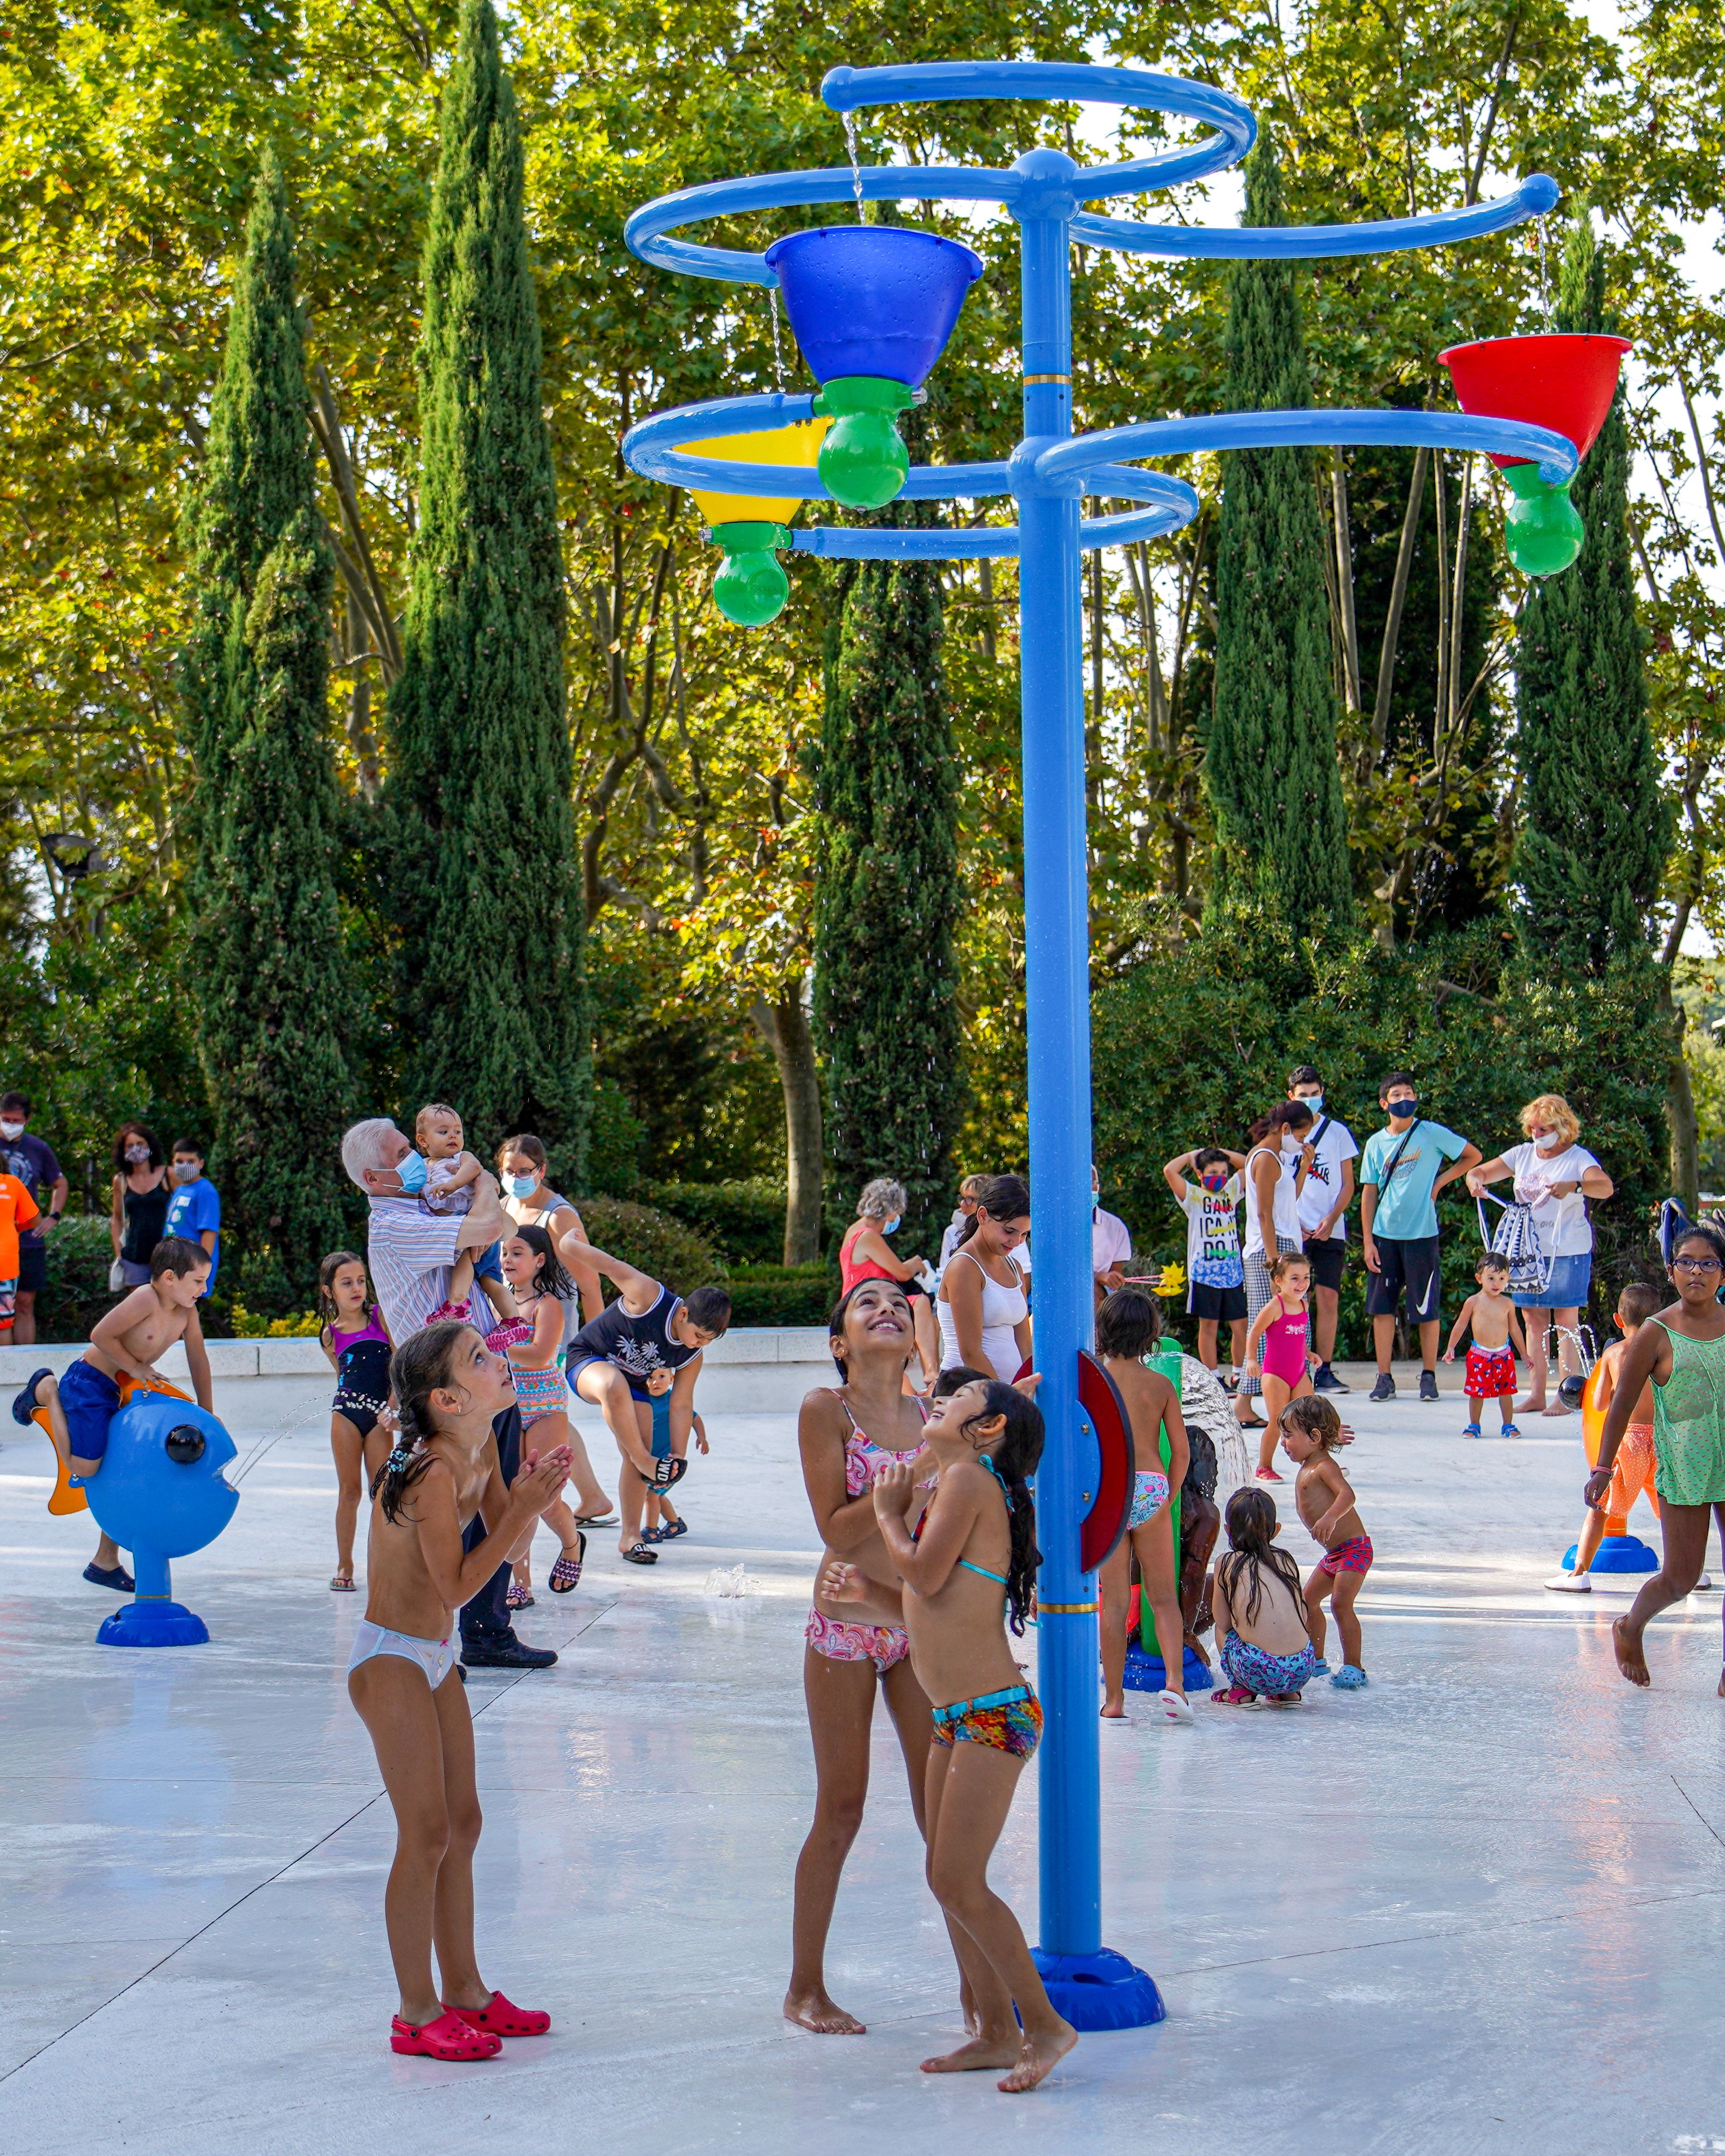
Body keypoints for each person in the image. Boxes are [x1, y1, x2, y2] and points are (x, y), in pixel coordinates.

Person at [822, 1374, 1077, 2093]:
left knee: (956, 1878)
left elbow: (926, 1577)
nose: (941, 1399)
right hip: (955, 1717)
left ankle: (1045, 2024)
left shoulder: (968, 1480)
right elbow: (928, 1612)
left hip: (993, 1714)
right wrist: (866, 1601)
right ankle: (996, 2032)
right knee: (946, 1877)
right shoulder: (953, 1487)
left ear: (988, 1428)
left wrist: (887, 1513)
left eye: (959, 1401)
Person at [348, 1319, 570, 2059]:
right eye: (479, 1359)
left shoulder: (480, 1449)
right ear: (446, 1399)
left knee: (464, 1825)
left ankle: (466, 1990)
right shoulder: (436, 1471)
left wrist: (541, 1507)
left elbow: (507, 1521)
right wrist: (528, 1513)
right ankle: (415, 2010)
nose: (498, 1358)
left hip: (435, 1655)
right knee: (427, 1834)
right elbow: (459, 1585)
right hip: (392, 1657)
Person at [784, 1280, 942, 2036]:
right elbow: (838, 1533)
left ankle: (977, 1989)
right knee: (841, 1809)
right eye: (867, 1303)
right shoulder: (828, 1409)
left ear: (916, 1339)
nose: (888, 1309)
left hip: (914, 1622)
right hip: (846, 1626)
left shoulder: (935, 1418)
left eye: (900, 1307)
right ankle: (805, 1988)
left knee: (939, 1811)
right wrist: (917, 1483)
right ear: (841, 1342)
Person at [342, 1116, 551, 1671]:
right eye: (405, 1150)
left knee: (488, 1503)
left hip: (478, 1383)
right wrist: (480, 1176)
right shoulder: (393, 1222)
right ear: (374, 1174)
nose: (420, 1158)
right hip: (442, 1391)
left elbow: (495, 1226)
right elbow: (488, 1229)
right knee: (431, 1512)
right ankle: (423, 1636)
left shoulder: (423, 1204)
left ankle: (485, 1631)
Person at [12, 1236, 213, 1591]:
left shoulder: (187, 1313)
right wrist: (137, 1367)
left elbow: (198, 1358)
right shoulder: (144, 1299)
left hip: (125, 1388)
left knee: (130, 1469)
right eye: (198, 1281)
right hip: (91, 1382)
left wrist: (208, 1414)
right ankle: (47, 1392)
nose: (204, 1289)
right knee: (85, 1467)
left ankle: (105, 1559)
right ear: (169, 1278)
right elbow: (100, 1335)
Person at [1588, 1221, 1725, 1690]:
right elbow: (1622, 1403)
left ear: (1722, 1275)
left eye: (1708, 1263)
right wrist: (1604, 1468)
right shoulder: (1656, 1332)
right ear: (1672, 1271)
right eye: (1686, 1262)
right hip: (1686, 1468)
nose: (1697, 1272)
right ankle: (1630, 1627)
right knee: (1681, 1578)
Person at [559, 1229, 731, 1565]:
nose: (699, 1344)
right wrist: (568, 1245)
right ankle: (642, 1460)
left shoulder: (693, 1356)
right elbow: (610, 1265)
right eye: (698, 1335)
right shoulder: (650, 1295)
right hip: (588, 1361)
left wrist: (679, 1455)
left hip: (633, 1385)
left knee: (646, 1447)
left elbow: (681, 1405)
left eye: (709, 1341)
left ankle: (631, 1537)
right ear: (683, 1314)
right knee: (614, 1390)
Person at [1465, 1094, 1614, 1416]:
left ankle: (1567, 1396)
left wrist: (1575, 1186)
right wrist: (1475, 1180)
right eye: (1532, 1128)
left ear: (1561, 1127)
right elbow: (1480, 1173)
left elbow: (1605, 1187)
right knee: (1533, 1321)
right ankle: (1536, 1394)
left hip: (1567, 1249)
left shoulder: (1577, 1158)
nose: (1536, 1134)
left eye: (1543, 1128)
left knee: (1566, 1322)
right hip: (1528, 1254)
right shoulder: (1522, 1154)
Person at [492, 1225, 611, 1593]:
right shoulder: (499, 1302)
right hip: (509, 1405)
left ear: (539, 1260)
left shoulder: (549, 1305)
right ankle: (520, 1582)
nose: (507, 1260)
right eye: (505, 1253)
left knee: (543, 1496)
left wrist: (491, 1345)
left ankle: (572, 1545)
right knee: (516, 1494)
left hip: (545, 1406)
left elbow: (542, 1354)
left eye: (517, 1253)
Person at [1095, 1288, 1191, 1724]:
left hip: (1110, 1489)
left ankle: (1115, 1700)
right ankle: (1175, 1683)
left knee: (1113, 1603)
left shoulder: (1094, 1380)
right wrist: (1168, 1494)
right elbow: (1184, 1452)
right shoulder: (1161, 1384)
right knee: (1163, 1596)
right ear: (1152, 1333)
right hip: (1151, 1486)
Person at [1358, 1074, 1480, 1403]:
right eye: (1396, 1094)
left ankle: (1429, 1375)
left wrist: (1440, 1183)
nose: (1404, 1099)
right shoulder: (1375, 1144)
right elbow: (1369, 1193)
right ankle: (1384, 1377)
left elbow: (1472, 1156)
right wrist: (1368, 1241)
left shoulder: (1429, 1132)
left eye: (1409, 1093)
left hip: (1422, 1235)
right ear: (1384, 1104)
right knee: (1382, 1309)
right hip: (1384, 1237)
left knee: (1426, 1308)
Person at [1548, 1281, 1664, 1594]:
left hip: (1632, 1441)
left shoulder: (1615, 1353)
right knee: (1671, 1506)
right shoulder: (1667, 1349)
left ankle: (1579, 1574)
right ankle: (1689, 1571)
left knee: (1600, 1506)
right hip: (1664, 1441)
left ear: (1618, 1320)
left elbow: (1598, 1403)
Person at [1281, 1393, 1371, 1688]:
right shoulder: (1309, 1460)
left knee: (1340, 1604)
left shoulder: (1323, 1466)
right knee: (1307, 1602)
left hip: (1354, 1549)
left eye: (1288, 1436)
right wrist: (1329, 1437)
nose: (1284, 1443)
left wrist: (1331, 1517)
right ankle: (1317, 1661)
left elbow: (1347, 1495)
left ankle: (1354, 1666)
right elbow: (1317, 1433)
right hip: (1335, 1553)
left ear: (1313, 1437)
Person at [1236, 1101, 1314, 1432]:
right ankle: (1245, 1401)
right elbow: (1265, 1213)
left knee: (1278, 1325)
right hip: (1271, 1249)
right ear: (1285, 1129)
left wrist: (1305, 1167)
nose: (1303, 1140)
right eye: (1302, 1134)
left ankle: (1245, 1402)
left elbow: (1287, 1200)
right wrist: (1274, 1261)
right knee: (1266, 1323)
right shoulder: (1266, 1159)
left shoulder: (1279, 1159)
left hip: (1282, 1245)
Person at [318, 1249, 393, 1591]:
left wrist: (393, 1405)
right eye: (346, 1283)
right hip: (346, 1414)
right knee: (349, 1492)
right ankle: (345, 1562)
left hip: (381, 1416)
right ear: (329, 1290)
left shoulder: (381, 1317)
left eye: (361, 1281)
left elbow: (398, 1362)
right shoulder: (330, 1335)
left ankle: (383, 1561)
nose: (356, 1288)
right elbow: (342, 1376)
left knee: (382, 1491)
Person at [1208, 1486, 1317, 1706]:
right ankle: (1288, 1693)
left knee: (1223, 1629)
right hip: (1302, 1668)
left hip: (1257, 1670)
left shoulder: (1227, 1562)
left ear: (1228, 1531)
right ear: (1276, 1530)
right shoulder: (1286, 1559)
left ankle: (1240, 1690)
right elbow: (1303, 1614)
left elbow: (1222, 1620)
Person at [1287, 1065, 1358, 1395]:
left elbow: (1348, 1184)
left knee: (1328, 1297)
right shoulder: (1286, 1136)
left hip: (1331, 1229)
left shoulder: (1338, 1132)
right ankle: (1294, 1366)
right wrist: (1294, 1222)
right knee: (1294, 1299)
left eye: (1316, 1094)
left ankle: (1325, 1369)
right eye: (1304, 1095)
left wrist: (1330, 1220)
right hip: (1295, 1230)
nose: (1311, 1100)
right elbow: (1280, 1186)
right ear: (1291, 1097)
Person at [416, 1104, 513, 1331]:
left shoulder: (462, 1157)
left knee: (466, 1263)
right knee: (490, 1280)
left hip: (471, 1222)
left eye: (457, 1131)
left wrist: (454, 1183)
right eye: (443, 1132)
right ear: (423, 1140)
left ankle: (456, 1306)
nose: (453, 1136)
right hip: (458, 1226)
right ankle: (511, 1321)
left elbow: (474, 1168)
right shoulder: (422, 1168)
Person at [496, 1134, 604, 1334]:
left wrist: (596, 1347)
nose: (515, 1178)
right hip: (508, 1338)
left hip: (553, 1345)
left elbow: (590, 1284)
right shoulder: (501, 1208)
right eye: (509, 1171)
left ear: (541, 1170)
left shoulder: (558, 1217)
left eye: (524, 1172)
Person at [839, 1177, 939, 1387]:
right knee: (920, 1304)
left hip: (860, 1300)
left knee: (930, 1320)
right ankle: (932, 1372)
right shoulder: (868, 1236)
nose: (897, 1219)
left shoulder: (855, 1231)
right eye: (897, 1214)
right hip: (869, 1302)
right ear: (889, 1211)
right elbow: (901, 1272)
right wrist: (916, 1265)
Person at [1163, 1145, 1249, 1384]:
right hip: (1204, 1273)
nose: (1219, 1178)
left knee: (1240, 1323)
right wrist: (1193, 1156)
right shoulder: (1193, 1196)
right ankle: (1213, 1376)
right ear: (1200, 1174)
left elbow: (1248, 1163)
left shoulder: (1231, 1192)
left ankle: (1239, 1375)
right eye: (1212, 1172)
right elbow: (1170, 1170)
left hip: (1232, 1273)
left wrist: (1221, 1152)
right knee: (1208, 1325)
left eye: (1223, 1173)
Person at [936, 1172, 1031, 1382]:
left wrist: (1032, 1385)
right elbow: (970, 1352)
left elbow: (1024, 1343)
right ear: (982, 1216)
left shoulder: (1014, 1266)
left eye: (1024, 1234)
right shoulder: (965, 1266)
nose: (1016, 1242)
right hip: (966, 1390)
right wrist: (1007, 1398)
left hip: (1005, 1394)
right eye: (1009, 1231)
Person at [1, 1092, 68, 1346]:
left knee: (25, 1304)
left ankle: (27, 1371)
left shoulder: (38, 1148)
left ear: (27, 1120)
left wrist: (53, 1217)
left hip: (27, 1239)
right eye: (5, 1119)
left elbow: (60, 1184)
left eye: (15, 1120)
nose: (9, 1124)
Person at [1243, 1249, 1314, 1483]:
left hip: (1299, 1372)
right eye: (1295, 1278)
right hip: (1275, 1375)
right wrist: (1252, 1359)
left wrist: (1308, 1353)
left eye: (1306, 1277)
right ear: (1279, 1281)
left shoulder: (1303, 1305)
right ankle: (1264, 1466)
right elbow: (1254, 1332)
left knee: (1310, 1416)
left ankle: (1316, 1463)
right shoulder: (1276, 1306)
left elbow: (1298, 1336)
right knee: (1278, 1421)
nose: (1302, 1283)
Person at [1444, 1255, 1528, 1438]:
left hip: (1504, 1356)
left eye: (1501, 1278)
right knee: (1477, 1393)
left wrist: (1524, 1354)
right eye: (1491, 1278)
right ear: (1479, 1278)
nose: (1496, 1283)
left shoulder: (1508, 1304)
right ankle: (1474, 1424)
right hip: (1480, 1356)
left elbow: (1515, 1330)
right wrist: (1451, 1347)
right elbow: (1461, 1324)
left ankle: (1508, 1425)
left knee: (1506, 1392)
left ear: (1508, 1279)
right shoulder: (1473, 1302)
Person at [109, 1123, 171, 1289]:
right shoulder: (121, 1181)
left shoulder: (169, 1175)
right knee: (140, 1311)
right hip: (135, 1257)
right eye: (129, 1146)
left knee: (169, 1310)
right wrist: (119, 1254)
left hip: (168, 1256)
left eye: (140, 1144)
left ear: (149, 1145)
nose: (135, 1149)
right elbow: (117, 1219)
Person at [163, 1138, 221, 1284]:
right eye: (180, 1162)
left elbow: (209, 1232)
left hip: (191, 1269)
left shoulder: (206, 1191)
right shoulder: (180, 1189)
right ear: (173, 1162)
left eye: (191, 1162)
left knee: (188, 1307)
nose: (185, 1166)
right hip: (173, 1264)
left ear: (201, 1163)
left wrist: (200, 1271)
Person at [0, 1152, 40, 1344]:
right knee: (3, 1323)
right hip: (5, 1262)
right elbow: (33, 1220)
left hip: (5, 1263)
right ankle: (5, 1373)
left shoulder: (13, 1183)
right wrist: (11, 1227)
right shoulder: (12, 1183)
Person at [1091, 1165, 1131, 1297]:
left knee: (1094, 1291)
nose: (1089, 1188)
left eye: (1092, 1183)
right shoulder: (1058, 1228)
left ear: (1098, 1186)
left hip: (1099, 1295)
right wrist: (1098, 1276)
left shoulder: (1116, 1227)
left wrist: (1109, 1279)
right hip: (1063, 1290)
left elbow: (1113, 1281)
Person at [939, 1176, 986, 1269]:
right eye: (962, 1198)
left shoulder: (1002, 1231)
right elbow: (944, 1270)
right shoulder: (951, 1231)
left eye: (970, 1199)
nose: (962, 1204)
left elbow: (1023, 1269)